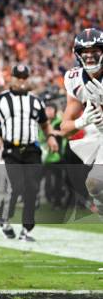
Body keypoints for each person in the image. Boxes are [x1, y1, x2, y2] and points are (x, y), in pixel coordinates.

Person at [0, 64, 59, 241]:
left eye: (24, 78)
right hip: (11, 149)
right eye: (18, 77)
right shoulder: (0, 99)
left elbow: (45, 123)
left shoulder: (36, 100)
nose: (21, 81)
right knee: (16, 186)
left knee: (32, 189)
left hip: (32, 149)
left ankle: (26, 230)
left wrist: (50, 137)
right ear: (11, 78)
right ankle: (4, 218)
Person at [60, 28, 103, 216]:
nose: (90, 56)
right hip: (98, 135)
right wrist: (82, 121)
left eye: (95, 51)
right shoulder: (74, 79)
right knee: (93, 185)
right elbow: (65, 128)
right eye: (85, 52)